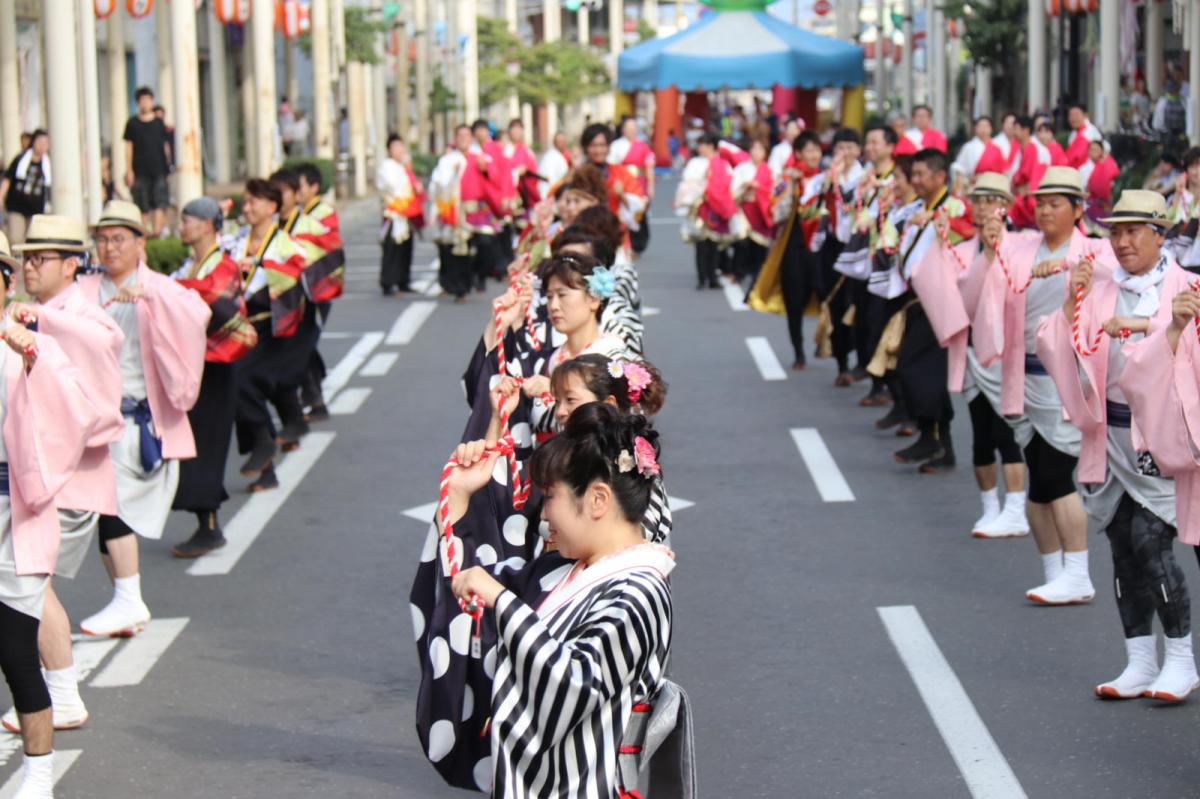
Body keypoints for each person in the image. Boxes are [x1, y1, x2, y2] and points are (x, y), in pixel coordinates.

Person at [414, 402, 674, 795]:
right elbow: (468, 592)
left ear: (598, 499)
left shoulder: (640, 593)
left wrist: (504, 604)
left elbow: (574, 686)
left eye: (550, 497)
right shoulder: (564, 569)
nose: (545, 515)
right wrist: (458, 498)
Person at [1034, 190, 1198, 700]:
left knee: (1151, 543)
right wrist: (1071, 298)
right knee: (1123, 547)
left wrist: (1161, 326)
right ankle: (1139, 661)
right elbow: (1055, 342)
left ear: (1160, 235)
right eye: (1116, 232)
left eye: (1133, 231)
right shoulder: (1099, 287)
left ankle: (1181, 659)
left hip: (1163, 439)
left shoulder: (1186, 287)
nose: (1123, 242)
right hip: (1113, 438)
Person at [0, 220, 123, 740]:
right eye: (26, 258)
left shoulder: (78, 313)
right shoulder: (26, 315)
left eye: (39, 258)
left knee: (30, 585)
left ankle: (63, 694)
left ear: (71, 265)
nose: (31, 267)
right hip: (35, 475)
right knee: (27, 587)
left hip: (60, 473)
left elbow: (104, 350)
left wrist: (37, 331)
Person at [974, 166, 1118, 604]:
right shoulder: (1021, 246)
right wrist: (990, 242)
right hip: (1024, 378)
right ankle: (1055, 573)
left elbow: (1113, 274)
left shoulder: (1096, 250)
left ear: (1078, 209)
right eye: (1040, 203)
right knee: (1038, 476)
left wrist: (1069, 265)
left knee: (1056, 474)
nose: (1046, 211)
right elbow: (987, 278)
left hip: (1066, 382)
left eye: (1056, 203)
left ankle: (1078, 573)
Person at [76, 200, 210, 636]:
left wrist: (150, 296)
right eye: (102, 239)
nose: (109, 248)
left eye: (119, 239)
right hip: (90, 421)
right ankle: (124, 598)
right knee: (103, 512)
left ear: (140, 242)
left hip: (133, 422)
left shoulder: (160, 287)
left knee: (113, 507)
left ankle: (129, 598)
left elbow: (197, 314)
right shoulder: (84, 288)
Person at [0, 242, 98, 798]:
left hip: (15, 514)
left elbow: (76, 413)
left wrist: (33, 358)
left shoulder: (28, 344)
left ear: (5, 282)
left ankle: (39, 776)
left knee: (16, 652)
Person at [909, 173, 1029, 532]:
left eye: (991, 200)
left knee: (1007, 433)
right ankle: (990, 506)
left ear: (1005, 206)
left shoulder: (1023, 246)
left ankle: (1016, 508)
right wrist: (938, 237)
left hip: (1007, 353)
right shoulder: (960, 248)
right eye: (977, 200)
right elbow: (924, 275)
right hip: (973, 351)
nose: (983, 207)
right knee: (980, 433)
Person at [170, 197, 257, 557]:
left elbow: (213, 296)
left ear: (207, 225)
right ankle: (205, 522)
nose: (181, 227)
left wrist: (170, 292)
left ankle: (209, 526)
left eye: (186, 220)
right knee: (194, 442)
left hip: (217, 365)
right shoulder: (190, 266)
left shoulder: (223, 265)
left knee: (206, 443)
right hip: (194, 364)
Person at [886, 148, 974, 472]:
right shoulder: (915, 208)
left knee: (917, 369)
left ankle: (934, 439)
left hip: (939, 302)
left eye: (922, 174)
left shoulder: (954, 206)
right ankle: (937, 442)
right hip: (915, 299)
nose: (916, 180)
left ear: (940, 176)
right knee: (919, 369)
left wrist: (940, 221)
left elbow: (969, 230)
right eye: (914, 174)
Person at [227, 179, 309, 493]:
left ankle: (267, 439)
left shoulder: (285, 243)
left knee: (245, 381)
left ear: (272, 206)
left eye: (253, 202)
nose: (247, 208)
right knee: (240, 387)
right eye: (245, 202)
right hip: (241, 326)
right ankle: (266, 466)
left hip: (274, 329)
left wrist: (263, 265)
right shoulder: (236, 240)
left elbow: (296, 272)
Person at [749, 131, 825, 369]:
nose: (813, 155)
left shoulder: (827, 179)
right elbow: (775, 214)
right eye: (808, 150)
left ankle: (826, 340)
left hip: (821, 249)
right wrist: (791, 188)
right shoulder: (786, 179)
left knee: (827, 297)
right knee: (794, 302)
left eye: (816, 150)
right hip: (794, 248)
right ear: (799, 153)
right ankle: (799, 351)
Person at [295, 162, 344, 422]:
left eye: (299, 186)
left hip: (318, 288)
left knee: (304, 345)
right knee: (302, 345)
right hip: (298, 290)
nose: (295, 191)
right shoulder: (296, 214)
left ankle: (315, 399)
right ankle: (313, 397)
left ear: (314, 187)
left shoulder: (324, 213)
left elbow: (328, 245)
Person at [679, 135, 736, 289]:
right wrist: (703, 184)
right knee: (701, 244)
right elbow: (688, 182)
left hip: (716, 208)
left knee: (714, 244)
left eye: (702, 144)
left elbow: (729, 184)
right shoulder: (695, 163)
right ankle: (702, 277)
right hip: (700, 207)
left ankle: (713, 277)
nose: (699, 148)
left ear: (711, 146)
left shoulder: (722, 164)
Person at [580, 124, 648, 246]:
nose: (598, 150)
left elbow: (638, 207)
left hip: (615, 236)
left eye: (602, 145)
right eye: (593, 145)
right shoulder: (576, 174)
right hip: (583, 236)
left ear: (609, 147)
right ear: (585, 148)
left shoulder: (621, 173)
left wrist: (622, 195)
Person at [376, 135, 424, 295]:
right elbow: (393, 187)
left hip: (407, 213)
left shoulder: (404, 167)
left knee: (406, 248)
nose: (399, 150)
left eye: (401, 146)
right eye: (395, 147)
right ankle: (388, 282)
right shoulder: (386, 166)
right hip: (393, 214)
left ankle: (404, 280)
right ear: (389, 150)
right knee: (392, 248)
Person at [429, 128, 473, 302]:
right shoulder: (447, 161)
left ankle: (468, 283)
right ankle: (457, 288)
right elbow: (438, 185)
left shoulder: (478, 158)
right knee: (454, 250)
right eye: (460, 136)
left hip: (473, 212)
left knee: (473, 250)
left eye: (467, 135)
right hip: (453, 210)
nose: (463, 139)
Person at [123, 87, 172, 237]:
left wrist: (168, 167)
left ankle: (157, 233)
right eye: (142, 100)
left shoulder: (158, 122)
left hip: (158, 169)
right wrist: (129, 170)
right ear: (138, 103)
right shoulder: (132, 123)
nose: (145, 103)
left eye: (147, 100)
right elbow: (128, 147)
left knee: (159, 202)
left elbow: (165, 146)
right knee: (141, 203)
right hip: (140, 170)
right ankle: (143, 234)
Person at [732, 138, 776, 290]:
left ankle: (758, 273)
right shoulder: (742, 169)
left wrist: (759, 188)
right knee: (742, 242)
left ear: (765, 153)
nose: (756, 152)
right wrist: (744, 186)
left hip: (761, 211)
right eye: (754, 148)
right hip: (745, 209)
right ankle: (739, 271)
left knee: (760, 245)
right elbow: (733, 188)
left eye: (760, 149)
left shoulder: (769, 170)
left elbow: (773, 191)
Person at [610, 117, 657, 254]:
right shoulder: (616, 146)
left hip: (638, 184)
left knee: (639, 212)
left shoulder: (642, 146)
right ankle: (623, 242)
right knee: (623, 213)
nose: (632, 130)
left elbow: (649, 166)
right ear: (623, 129)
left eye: (634, 128)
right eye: (629, 128)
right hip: (623, 184)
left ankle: (638, 244)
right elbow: (612, 167)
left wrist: (651, 186)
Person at [0, 129, 50, 246]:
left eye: (45, 143)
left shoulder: (47, 164)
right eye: (40, 142)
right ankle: (16, 256)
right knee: (16, 238)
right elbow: (8, 178)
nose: (42, 146)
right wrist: (1, 195)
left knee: (31, 239)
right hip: (16, 206)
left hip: (35, 210)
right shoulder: (21, 159)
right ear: (33, 142)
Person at [1008, 115, 1051, 229]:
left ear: (1026, 130)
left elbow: (1030, 175)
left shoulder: (1034, 148)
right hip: (1022, 194)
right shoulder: (1022, 148)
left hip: (1031, 196)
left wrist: (1018, 185)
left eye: (1016, 128)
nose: (1014, 132)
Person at [504, 120, 540, 230]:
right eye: (514, 129)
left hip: (525, 196)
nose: (516, 132)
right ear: (509, 132)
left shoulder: (528, 152)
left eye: (519, 129)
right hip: (508, 196)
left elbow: (534, 175)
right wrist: (516, 172)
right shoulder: (504, 151)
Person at [1083, 140, 1120, 225]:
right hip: (1090, 207)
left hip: (1104, 206)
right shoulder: (1085, 169)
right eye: (1092, 149)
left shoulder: (1108, 164)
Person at [1064, 103, 1103, 168]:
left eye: (1076, 114)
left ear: (1085, 115)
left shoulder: (1090, 132)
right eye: (1071, 115)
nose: (1073, 118)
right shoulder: (1074, 133)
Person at [537, 131, 573, 200]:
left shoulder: (559, 156)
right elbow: (564, 178)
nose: (561, 144)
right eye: (559, 141)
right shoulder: (552, 157)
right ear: (554, 142)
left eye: (563, 141)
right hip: (550, 195)